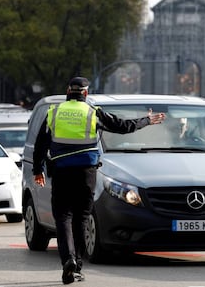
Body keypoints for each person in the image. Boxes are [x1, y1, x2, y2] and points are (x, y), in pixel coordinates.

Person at [32, 77, 165, 285]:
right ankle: (76, 265)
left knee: (63, 217)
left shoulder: (54, 112)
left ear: (68, 91)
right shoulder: (93, 112)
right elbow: (122, 126)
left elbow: (41, 143)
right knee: (82, 218)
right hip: (86, 173)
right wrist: (147, 120)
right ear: (85, 93)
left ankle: (67, 259)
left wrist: (37, 169)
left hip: (61, 173)